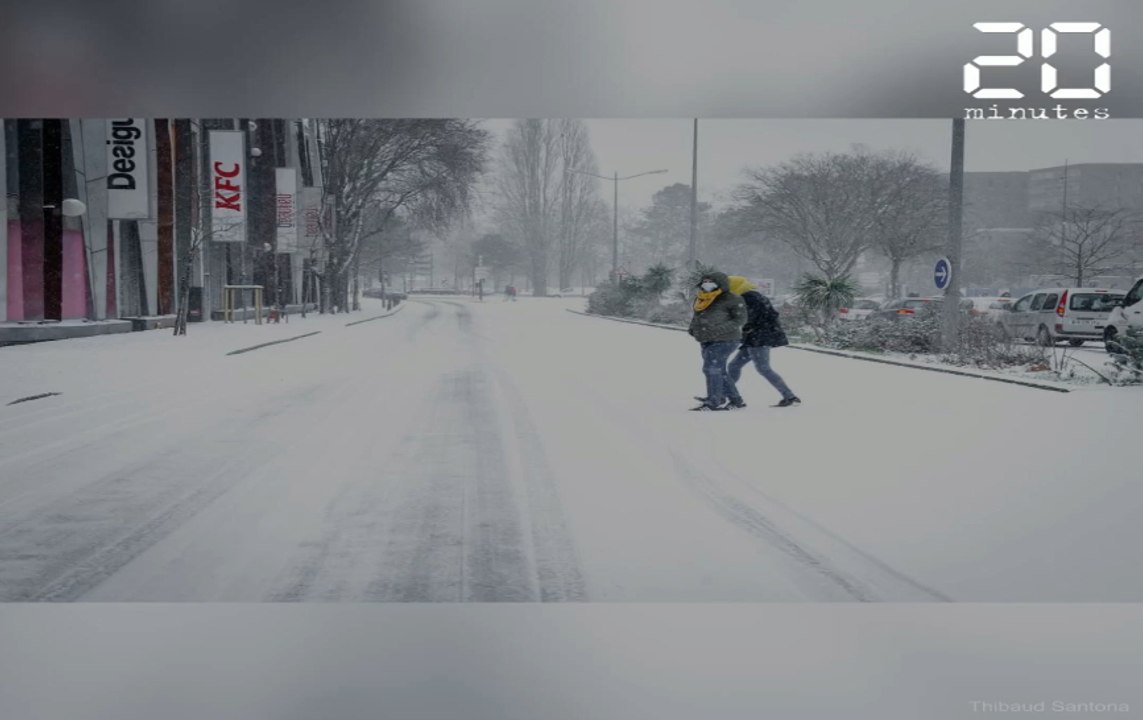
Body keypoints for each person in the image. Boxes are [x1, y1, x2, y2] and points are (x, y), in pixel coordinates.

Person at [726, 276, 801, 407]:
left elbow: (749, 318)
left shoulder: (749, 297)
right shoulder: (752, 295)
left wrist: (740, 327)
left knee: (763, 368)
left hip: (759, 338)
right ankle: (723, 394)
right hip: (755, 338)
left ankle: (790, 396)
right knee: (734, 366)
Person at [687, 271, 747, 411]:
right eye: (705, 282)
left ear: (721, 283)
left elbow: (740, 320)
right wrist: (692, 328)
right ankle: (735, 400)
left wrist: (718, 330)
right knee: (718, 370)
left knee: (711, 368)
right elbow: (697, 316)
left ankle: (714, 401)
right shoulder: (702, 298)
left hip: (726, 339)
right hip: (706, 339)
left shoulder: (732, 298)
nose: (707, 284)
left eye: (711, 282)